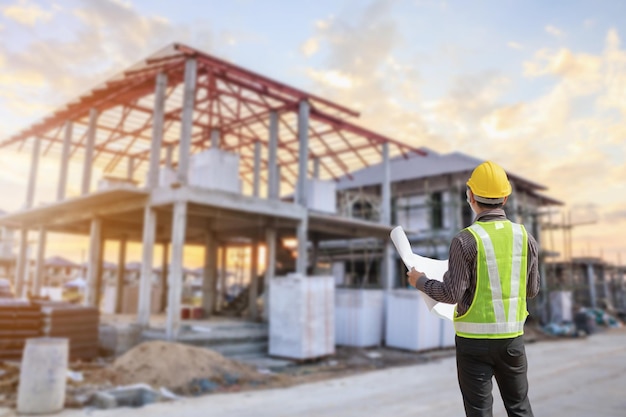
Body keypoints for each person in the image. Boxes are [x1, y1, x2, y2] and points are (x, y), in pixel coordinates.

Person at [407, 161, 540, 417]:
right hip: (512, 340)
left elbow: (452, 294)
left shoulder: (465, 240)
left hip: (473, 344)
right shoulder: (526, 238)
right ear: (505, 197)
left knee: (479, 412)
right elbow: (532, 290)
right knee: (519, 408)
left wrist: (420, 281)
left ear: (470, 196)